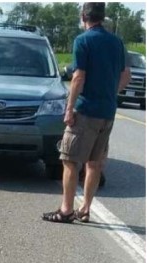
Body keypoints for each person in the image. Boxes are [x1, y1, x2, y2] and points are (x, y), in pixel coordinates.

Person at [42, 2, 130, 223]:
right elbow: (126, 74)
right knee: (94, 163)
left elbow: (78, 77)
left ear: (83, 17)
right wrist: (111, 93)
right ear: (103, 17)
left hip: (86, 111)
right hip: (107, 113)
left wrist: (69, 109)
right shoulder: (117, 42)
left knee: (70, 160)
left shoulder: (83, 41)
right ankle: (85, 209)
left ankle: (66, 210)